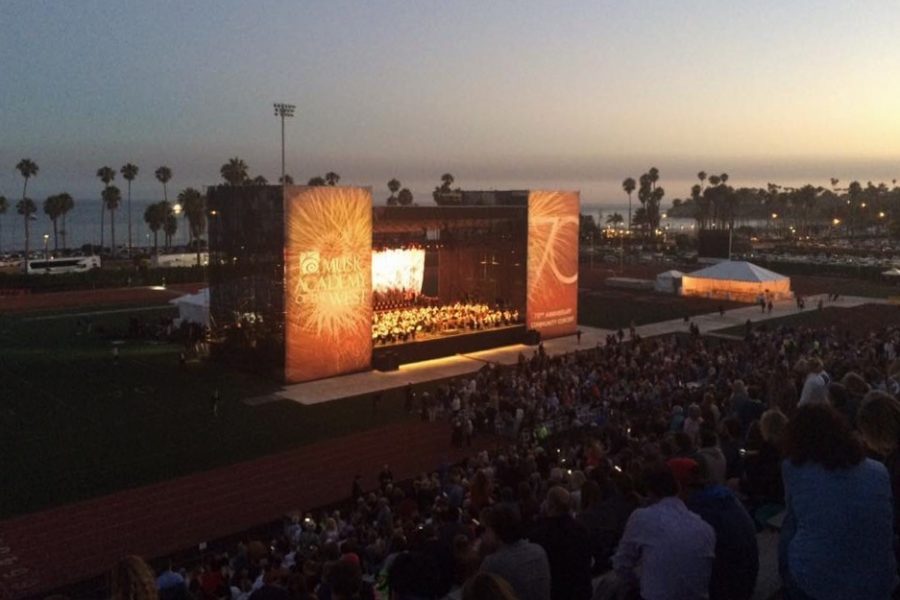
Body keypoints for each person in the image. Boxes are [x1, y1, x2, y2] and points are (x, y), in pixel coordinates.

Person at [779, 404, 897, 599]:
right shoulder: (878, 471)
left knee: (789, 526)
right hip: (880, 583)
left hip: (816, 583)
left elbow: (795, 519)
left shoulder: (793, 468)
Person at [611, 463, 715, 600]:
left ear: (649, 492)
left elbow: (621, 565)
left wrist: (638, 580)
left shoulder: (642, 517)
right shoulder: (706, 528)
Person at [673, 458, 759, 600]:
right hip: (747, 579)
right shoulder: (722, 497)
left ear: (678, 486)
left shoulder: (698, 512)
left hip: (729, 589)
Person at [529, 487, 592, 600]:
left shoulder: (540, 534)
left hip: (555, 592)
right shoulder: (581, 530)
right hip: (580, 591)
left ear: (549, 505)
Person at [479, 503, 551, 600]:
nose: (486, 533)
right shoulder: (539, 551)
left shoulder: (492, 563)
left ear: (495, 532)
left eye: (487, 530)